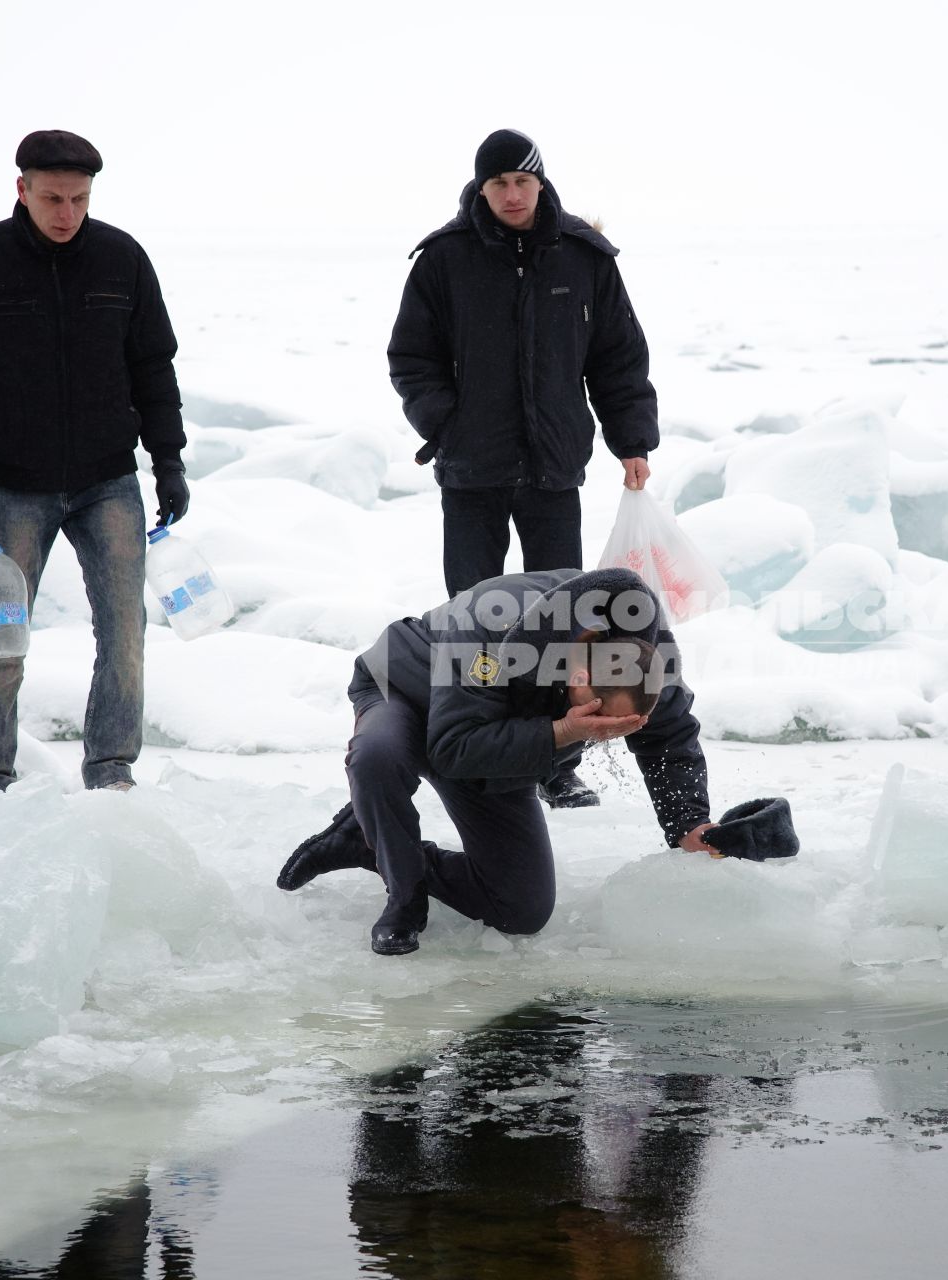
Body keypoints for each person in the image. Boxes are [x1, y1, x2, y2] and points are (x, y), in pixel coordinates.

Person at [388, 128, 662, 811]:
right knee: (474, 616)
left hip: (552, 469)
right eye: (497, 184)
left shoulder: (583, 257)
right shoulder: (443, 260)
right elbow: (410, 357)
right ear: (480, 189)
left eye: (522, 182)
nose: (511, 194)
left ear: (541, 183)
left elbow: (618, 357)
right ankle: (472, 745)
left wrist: (632, 441)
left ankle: (553, 761)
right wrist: (445, 422)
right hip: (471, 470)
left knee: (561, 621)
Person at [0, 130, 190, 799]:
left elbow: (152, 367)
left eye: (79, 198)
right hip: (14, 484)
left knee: (124, 632)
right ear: (22, 188)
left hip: (109, 480)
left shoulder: (120, 259)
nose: (66, 212)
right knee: (1, 644)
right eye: (53, 197)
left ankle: (111, 771)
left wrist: (169, 462)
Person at [275, 567, 718, 956]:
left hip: (492, 720)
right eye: (600, 717)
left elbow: (672, 734)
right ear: (578, 676)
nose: (604, 731)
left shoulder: (641, 653)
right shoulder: (494, 630)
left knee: (520, 909)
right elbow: (451, 749)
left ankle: (364, 840)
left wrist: (688, 823)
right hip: (409, 686)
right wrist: (561, 732)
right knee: (378, 757)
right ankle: (404, 896)